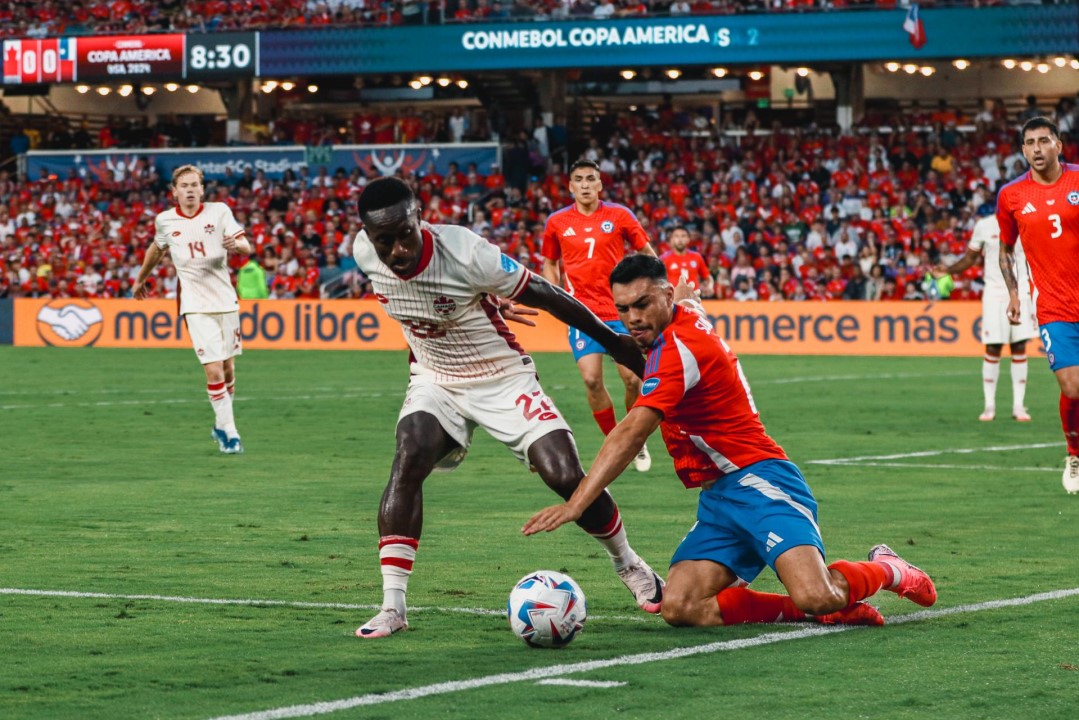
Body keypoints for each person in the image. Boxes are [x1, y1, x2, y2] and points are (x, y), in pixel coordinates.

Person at [524, 256, 938, 628]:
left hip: (761, 481)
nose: (633, 317)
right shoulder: (680, 316)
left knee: (817, 593)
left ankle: (888, 569)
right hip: (721, 498)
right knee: (680, 606)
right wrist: (685, 299)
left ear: (665, 296)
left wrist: (578, 503)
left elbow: (633, 430)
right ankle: (810, 611)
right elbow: (686, 304)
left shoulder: (678, 350)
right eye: (624, 308)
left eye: (642, 304)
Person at [351, 177, 665, 638]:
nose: (397, 249)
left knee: (562, 474)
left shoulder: (465, 251)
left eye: (406, 234)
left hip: (501, 376)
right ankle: (392, 606)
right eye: (385, 241)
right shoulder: (362, 253)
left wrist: (615, 342)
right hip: (435, 379)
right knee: (408, 457)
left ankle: (631, 565)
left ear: (421, 218)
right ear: (367, 236)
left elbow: (548, 293)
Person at [541, 159, 658, 472]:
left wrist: (654, 285)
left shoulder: (619, 215)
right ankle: (618, 440)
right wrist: (555, 295)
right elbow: (550, 263)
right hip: (582, 313)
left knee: (633, 380)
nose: (585, 184)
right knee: (592, 380)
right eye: (578, 179)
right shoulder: (557, 222)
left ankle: (636, 437)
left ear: (600, 184)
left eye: (591, 178)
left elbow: (647, 252)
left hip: (622, 311)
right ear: (570, 186)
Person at [133, 165, 251, 454]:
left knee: (227, 367)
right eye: (183, 185)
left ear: (202, 189)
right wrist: (141, 278)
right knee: (213, 371)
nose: (189, 190)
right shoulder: (165, 220)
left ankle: (221, 424)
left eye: (193, 185)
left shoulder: (219, 211)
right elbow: (157, 249)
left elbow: (246, 246)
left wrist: (235, 245)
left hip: (225, 301)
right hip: (194, 305)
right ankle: (231, 434)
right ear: (174, 192)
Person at [997, 117, 1079, 494]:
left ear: (1058, 145)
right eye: (1029, 143)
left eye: (1044, 140)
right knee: (1072, 385)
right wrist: (1014, 293)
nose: (1037, 149)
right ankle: (1074, 453)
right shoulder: (1012, 195)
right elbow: (1005, 250)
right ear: (1023, 150)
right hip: (1054, 306)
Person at [935, 208, 1035, 422]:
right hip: (994, 294)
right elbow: (970, 258)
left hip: (1022, 291)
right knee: (993, 347)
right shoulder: (985, 225)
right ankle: (989, 406)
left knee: (1019, 346)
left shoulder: (1026, 221)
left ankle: (1018, 406)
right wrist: (949, 270)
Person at [660, 225, 715, 299]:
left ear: (688, 239)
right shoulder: (664, 258)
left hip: (694, 300)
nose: (680, 239)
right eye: (676, 236)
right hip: (673, 301)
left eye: (683, 236)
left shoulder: (696, 257)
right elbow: (658, 280)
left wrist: (710, 286)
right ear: (672, 239)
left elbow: (708, 278)